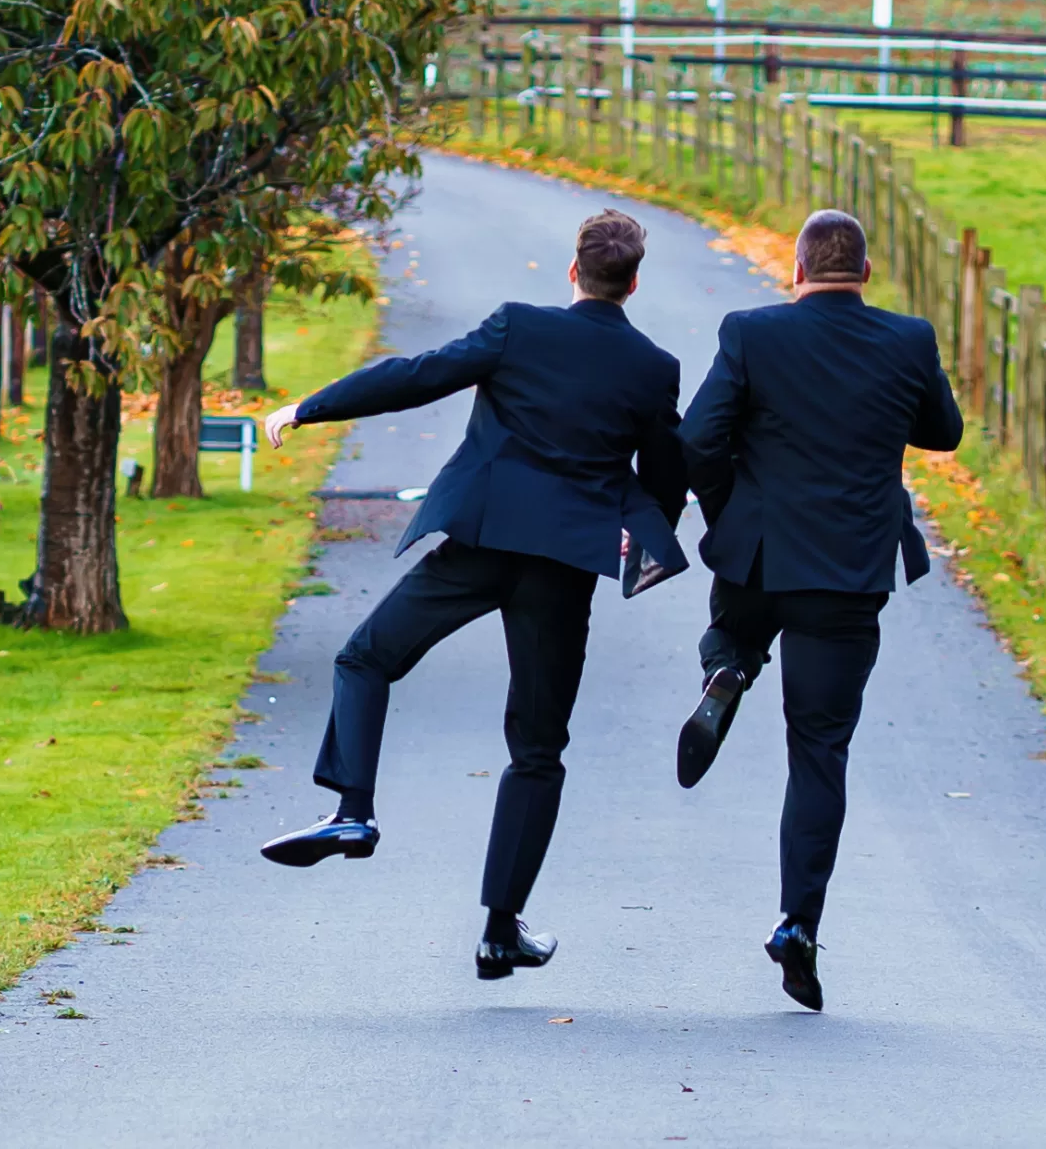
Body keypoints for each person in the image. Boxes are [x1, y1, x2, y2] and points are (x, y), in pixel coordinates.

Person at [259, 209, 687, 980]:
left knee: (365, 659)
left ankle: (354, 811)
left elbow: (416, 376)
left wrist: (308, 407)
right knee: (537, 748)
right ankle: (499, 930)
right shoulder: (652, 368)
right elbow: (663, 478)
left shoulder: (519, 328)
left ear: (572, 272)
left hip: (478, 547)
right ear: (633, 282)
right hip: (561, 574)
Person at [674, 208, 963, 1011]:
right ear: (865, 273)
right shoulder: (908, 340)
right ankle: (797, 925)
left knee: (730, 623)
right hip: (847, 570)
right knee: (820, 751)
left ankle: (726, 669)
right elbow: (944, 432)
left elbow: (697, 438)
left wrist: (731, 509)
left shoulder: (751, 333)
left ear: (796, 271)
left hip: (760, 554)